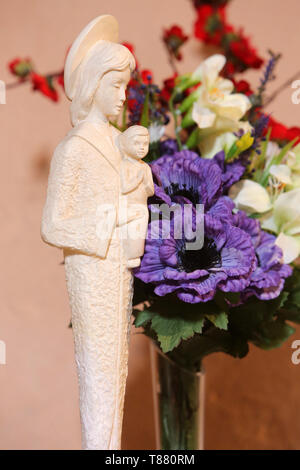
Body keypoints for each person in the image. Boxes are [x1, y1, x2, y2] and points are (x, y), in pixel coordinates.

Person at [41, 15, 139, 450]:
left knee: (116, 370)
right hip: (91, 273)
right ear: (93, 84)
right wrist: (111, 219)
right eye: (115, 85)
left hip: (119, 269)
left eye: (125, 87)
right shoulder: (74, 149)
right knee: (99, 375)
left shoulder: (117, 145)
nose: (123, 97)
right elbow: (53, 225)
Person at [118, 125, 154, 268]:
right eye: (137, 143)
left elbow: (151, 191)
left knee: (139, 232)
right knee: (130, 231)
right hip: (128, 207)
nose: (141, 148)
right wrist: (137, 180)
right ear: (126, 144)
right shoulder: (124, 166)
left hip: (142, 207)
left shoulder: (145, 167)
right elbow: (124, 188)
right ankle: (128, 254)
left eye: (145, 144)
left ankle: (135, 255)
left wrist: (145, 184)